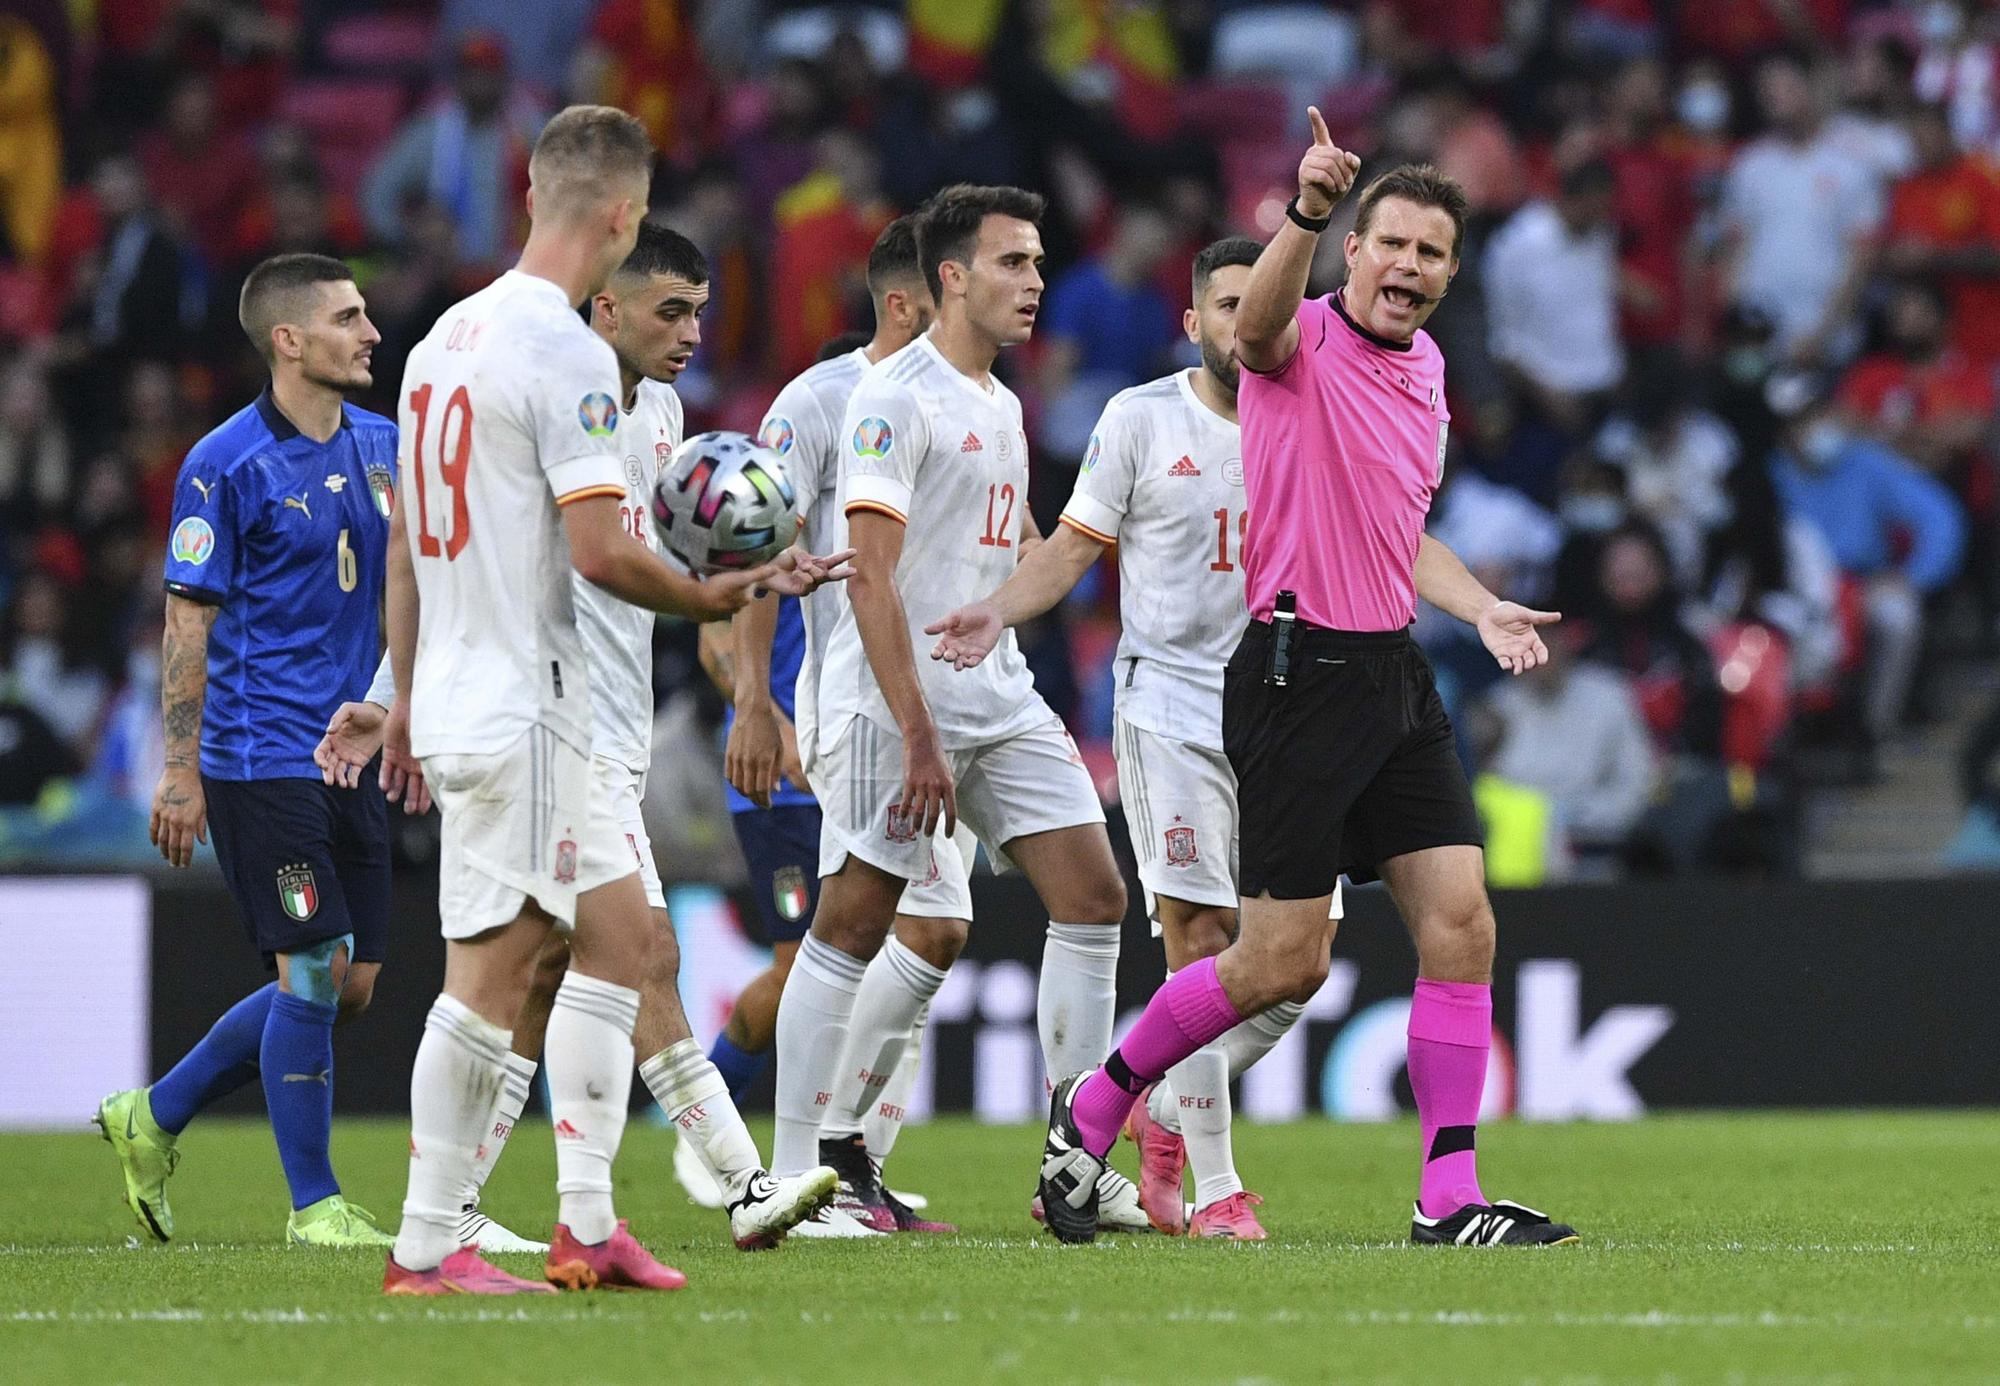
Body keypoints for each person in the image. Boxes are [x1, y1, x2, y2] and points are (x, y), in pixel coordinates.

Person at [1033, 113, 1579, 1248]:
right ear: (1354, 250)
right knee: (1281, 959)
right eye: (1390, 245)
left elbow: (1401, 529)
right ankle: (1096, 1104)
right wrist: (1304, 210)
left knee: (1461, 925)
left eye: (1431, 253)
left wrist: (1477, 608)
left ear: (1448, 274)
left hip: (1392, 672)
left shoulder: (1424, 370)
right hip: (1296, 671)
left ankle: (1448, 1198)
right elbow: (1259, 325)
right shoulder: (1295, 341)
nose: (1408, 269)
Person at [374, 106, 849, 1297]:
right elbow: (596, 552)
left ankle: (586, 1224)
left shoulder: (443, 337)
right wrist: (720, 590)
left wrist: (396, 693)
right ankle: (428, 1247)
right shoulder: (567, 355)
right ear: (625, 216)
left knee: (624, 944)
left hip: (471, 692)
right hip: (530, 700)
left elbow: (411, 544)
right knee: (496, 972)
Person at [772, 183, 1145, 1236]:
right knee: (852, 919)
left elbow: (1013, 547)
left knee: (1092, 891)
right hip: (894, 707)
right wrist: (921, 737)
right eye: (1011, 264)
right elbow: (871, 579)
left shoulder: (1000, 402)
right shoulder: (893, 397)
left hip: (996, 692)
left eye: (1035, 264)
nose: (1033, 283)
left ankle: (1073, 1157)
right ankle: (798, 1175)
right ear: (949, 276)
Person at [927, 236, 1311, 1240]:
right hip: (1169, 712)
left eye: (1260, 304)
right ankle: (1217, 1191)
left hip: (1285, 717)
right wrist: (996, 610)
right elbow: (1068, 550)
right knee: (1203, 947)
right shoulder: (1139, 419)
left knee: (1294, 968)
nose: (1244, 322)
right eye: (1224, 304)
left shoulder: (1314, 419)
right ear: (1193, 323)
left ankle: (1135, 1095)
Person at [94, 253, 403, 1249]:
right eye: (349, 319)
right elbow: (187, 625)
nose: (370, 334)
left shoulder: (385, 447)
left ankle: (154, 1113)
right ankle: (315, 1205)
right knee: (313, 968)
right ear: (288, 339)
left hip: (352, 750)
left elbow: (413, 598)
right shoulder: (224, 464)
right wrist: (178, 773)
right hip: (258, 753)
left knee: (346, 987)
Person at [686, 214, 966, 1237]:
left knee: (917, 940)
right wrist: (754, 702)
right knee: (824, 952)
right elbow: (748, 559)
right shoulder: (815, 404)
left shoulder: (970, 397)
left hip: (931, 719)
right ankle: (730, 1147)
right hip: (824, 733)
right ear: (908, 299)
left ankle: (844, 1164)